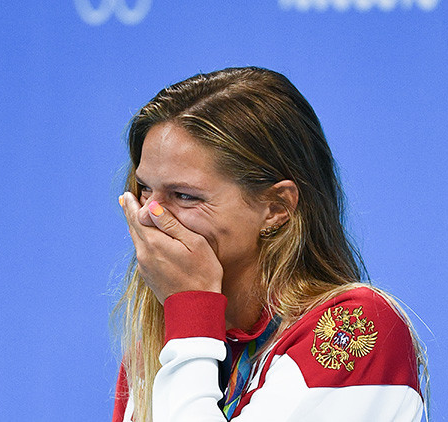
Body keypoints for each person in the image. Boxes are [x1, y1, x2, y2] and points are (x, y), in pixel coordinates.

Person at [112, 67, 427, 422]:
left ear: (276, 208)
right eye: (145, 190)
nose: (149, 216)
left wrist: (190, 308)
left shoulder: (352, 328)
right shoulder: (160, 347)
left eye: (184, 196)